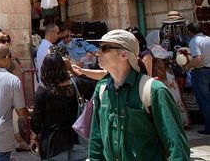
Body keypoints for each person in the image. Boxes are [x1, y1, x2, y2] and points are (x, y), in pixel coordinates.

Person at [88, 29, 190, 160]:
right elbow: (96, 138)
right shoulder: (102, 89)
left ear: (124, 55)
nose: (98, 52)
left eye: (105, 48)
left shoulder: (154, 90)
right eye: (99, 48)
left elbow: (177, 146)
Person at [30, 53, 93, 160]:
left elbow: (37, 117)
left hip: (53, 142)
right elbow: (91, 83)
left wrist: (33, 136)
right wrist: (72, 69)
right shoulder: (75, 84)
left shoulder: (43, 89)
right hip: (75, 138)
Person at [186, 22, 210, 135]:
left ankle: (209, 127)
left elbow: (198, 59)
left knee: (204, 100)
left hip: (200, 72)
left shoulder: (194, 41)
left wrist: (187, 66)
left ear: (190, 31)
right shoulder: (208, 39)